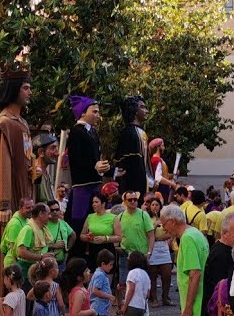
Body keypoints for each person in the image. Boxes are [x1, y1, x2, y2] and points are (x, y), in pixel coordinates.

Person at [0, 65, 35, 294]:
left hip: (24, 191)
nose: (29, 92)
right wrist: (4, 204)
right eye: (25, 88)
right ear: (14, 89)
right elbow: (3, 164)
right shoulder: (5, 123)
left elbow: (27, 156)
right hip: (9, 193)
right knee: (3, 247)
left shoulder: (22, 122)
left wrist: (34, 170)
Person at [66, 94, 111, 258]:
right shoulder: (76, 132)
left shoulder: (93, 132)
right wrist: (94, 166)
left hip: (95, 184)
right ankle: (76, 258)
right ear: (83, 113)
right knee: (80, 222)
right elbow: (76, 158)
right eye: (95, 111)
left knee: (95, 222)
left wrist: (106, 168)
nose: (98, 115)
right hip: (82, 186)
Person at [115, 190, 154, 292]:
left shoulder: (143, 215)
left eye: (135, 199)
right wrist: (117, 247)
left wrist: (149, 253)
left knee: (141, 284)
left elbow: (151, 236)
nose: (133, 201)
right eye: (130, 200)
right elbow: (116, 235)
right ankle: (124, 301)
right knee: (123, 283)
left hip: (141, 255)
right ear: (125, 201)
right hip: (125, 254)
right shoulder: (120, 217)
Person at [115, 95, 150, 196]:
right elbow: (131, 163)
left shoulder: (140, 132)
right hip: (133, 187)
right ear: (134, 110)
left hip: (143, 182)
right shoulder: (129, 133)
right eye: (142, 107)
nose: (146, 111)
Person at [145, 195, 173, 307]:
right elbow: (146, 233)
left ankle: (165, 297)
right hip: (152, 247)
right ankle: (154, 299)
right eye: (152, 205)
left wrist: (160, 238)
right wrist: (154, 225)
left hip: (163, 246)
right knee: (152, 275)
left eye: (157, 205)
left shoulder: (164, 218)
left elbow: (170, 232)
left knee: (167, 274)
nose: (154, 207)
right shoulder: (147, 218)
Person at [148, 137, 178, 202]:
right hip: (161, 189)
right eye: (162, 145)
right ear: (158, 147)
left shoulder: (157, 159)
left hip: (163, 188)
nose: (164, 147)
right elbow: (158, 178)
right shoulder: (156, 160)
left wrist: (173, 175)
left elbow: (164, 175)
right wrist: (172, 184)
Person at [32, 134, 60, 204]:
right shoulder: (35, 173)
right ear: (41, 152)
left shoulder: (47, 175)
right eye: (53, 148)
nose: (57, 153)